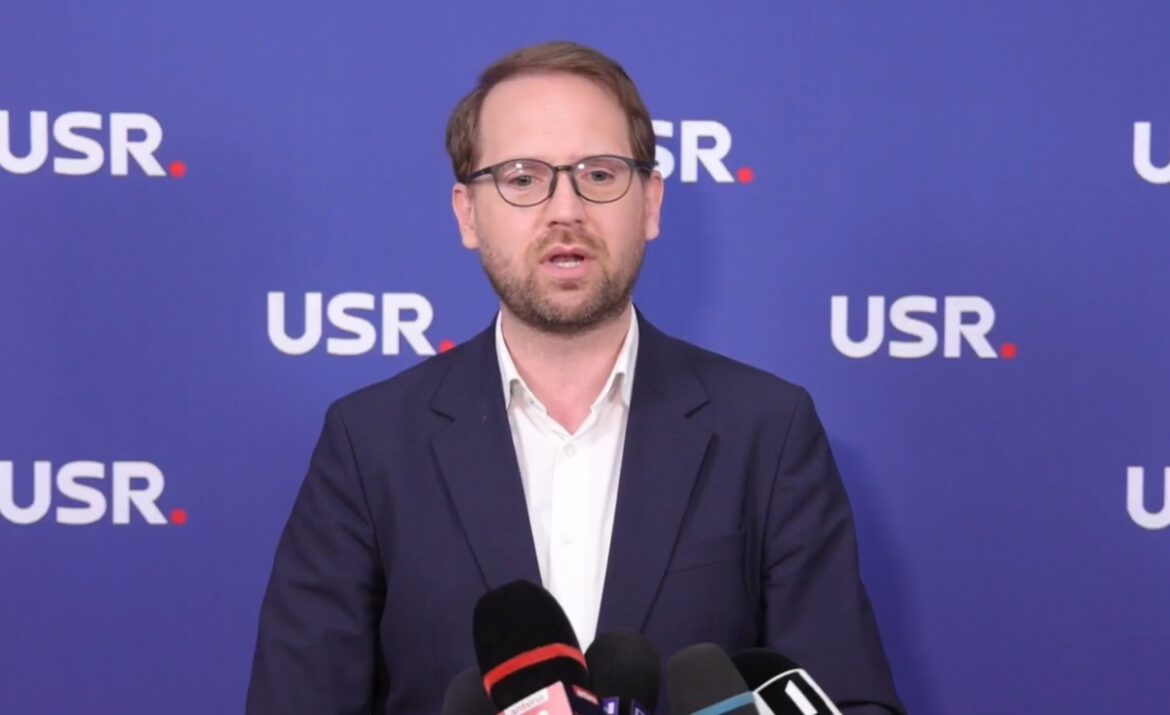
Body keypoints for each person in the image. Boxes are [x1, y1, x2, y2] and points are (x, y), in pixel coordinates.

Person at [246, 41, 904, 714]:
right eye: (522, 178)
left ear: (650, 204)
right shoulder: (369, 444)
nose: (565, 210)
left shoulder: (768, 430)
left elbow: (849, 699)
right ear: (467, 214)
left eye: (599, 173)